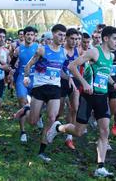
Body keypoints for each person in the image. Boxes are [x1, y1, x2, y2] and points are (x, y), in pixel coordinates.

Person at [46, 26, 116, 177]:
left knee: (104, 130)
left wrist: (114, 84)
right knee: (78, 131)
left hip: (102, 97)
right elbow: (72, 66)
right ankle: (58, 128)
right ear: (106, 38)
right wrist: (84, 83)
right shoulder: (94, 52)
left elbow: (105, 73)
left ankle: (100, 167)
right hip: (88, 97)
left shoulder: (112, 56)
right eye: (115, 38)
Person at [16, 24, 68, 162]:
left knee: (51, 118)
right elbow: (28, 65)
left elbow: (60, 71)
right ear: (53, 34)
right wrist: (26, 77)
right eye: (59, 34)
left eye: (64, 35)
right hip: (39, 87)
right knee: (33, 121)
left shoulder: (63, 53)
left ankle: (42, 151)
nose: (62, 38)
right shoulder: (42, 50)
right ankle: (27, 109)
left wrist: (71, 79)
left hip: (55, 88)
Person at [13, 26, 38, 142]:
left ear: (34, 36)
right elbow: (12, 63)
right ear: (24, 35)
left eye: (32, 35)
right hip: (21, 79)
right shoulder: (18, 49)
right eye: (27, 34)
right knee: (23, 102)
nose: (29, 37)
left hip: (35, 79)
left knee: (36, 104)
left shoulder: (39, 48)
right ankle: (23, 132)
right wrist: (11, 71)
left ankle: (39, 116)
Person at [58, 28, 82, 149]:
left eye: (77, 39)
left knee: (75, 108)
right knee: (59, 112)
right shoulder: (61, 51)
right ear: (66, 38)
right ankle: (53, 128)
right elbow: (58, 68)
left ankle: (69, 137)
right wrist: (68, 78)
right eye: (72, 38)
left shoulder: (78, 50)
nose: (74, 41)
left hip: (75, 82)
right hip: (62, 81)